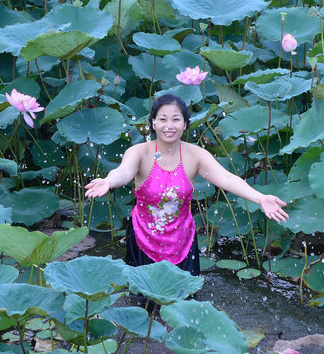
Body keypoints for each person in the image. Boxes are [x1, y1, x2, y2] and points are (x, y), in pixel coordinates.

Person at [84, 94, 288, 276]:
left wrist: (260, 198)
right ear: (153, 123)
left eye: (175, 119)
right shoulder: (139, 152)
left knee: (184, 302)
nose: (169, 126)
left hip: (183, 240)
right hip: (143, 238)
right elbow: (124, 171)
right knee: (143, 300)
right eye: (162, 119)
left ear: (185, 124)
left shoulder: (195, 155)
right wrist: (108, 181)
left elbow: (226, 178)